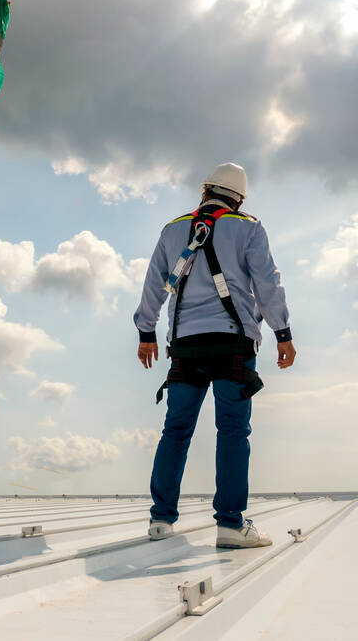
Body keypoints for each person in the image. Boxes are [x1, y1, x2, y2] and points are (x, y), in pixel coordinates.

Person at [133, 162, 295, 548]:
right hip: (233, 347)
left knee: (175, 432)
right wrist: (283, 332)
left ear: (204, 192)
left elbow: (154, 281)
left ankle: (160, 520)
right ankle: (230, 524)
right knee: (233, 432)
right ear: (238, 198)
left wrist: (145, 333)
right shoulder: (248, 226)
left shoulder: (173, 229)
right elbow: (267, 282)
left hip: (185, 347)